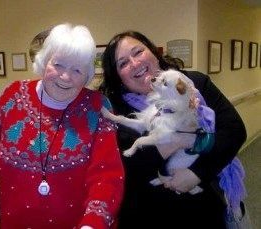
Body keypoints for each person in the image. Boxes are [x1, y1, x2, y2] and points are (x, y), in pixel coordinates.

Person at [0, 23, 125, 229]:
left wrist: (92, 224)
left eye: (77, 69)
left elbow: (107, 175)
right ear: (44, 61)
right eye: (58, 65)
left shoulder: (98, 107)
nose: (65, 77)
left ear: (88, 75)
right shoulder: (11, 96)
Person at [100, 31, 247, 228]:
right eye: (123, 63)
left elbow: (233, 131)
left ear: (153, 52)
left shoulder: (193, 84)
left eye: (138, 52)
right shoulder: (114, 109)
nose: (134, 63)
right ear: (118, 76)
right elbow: (122, 167)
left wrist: (197, 172)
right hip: (147, 214)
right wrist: (177, 140)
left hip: (203, 211)